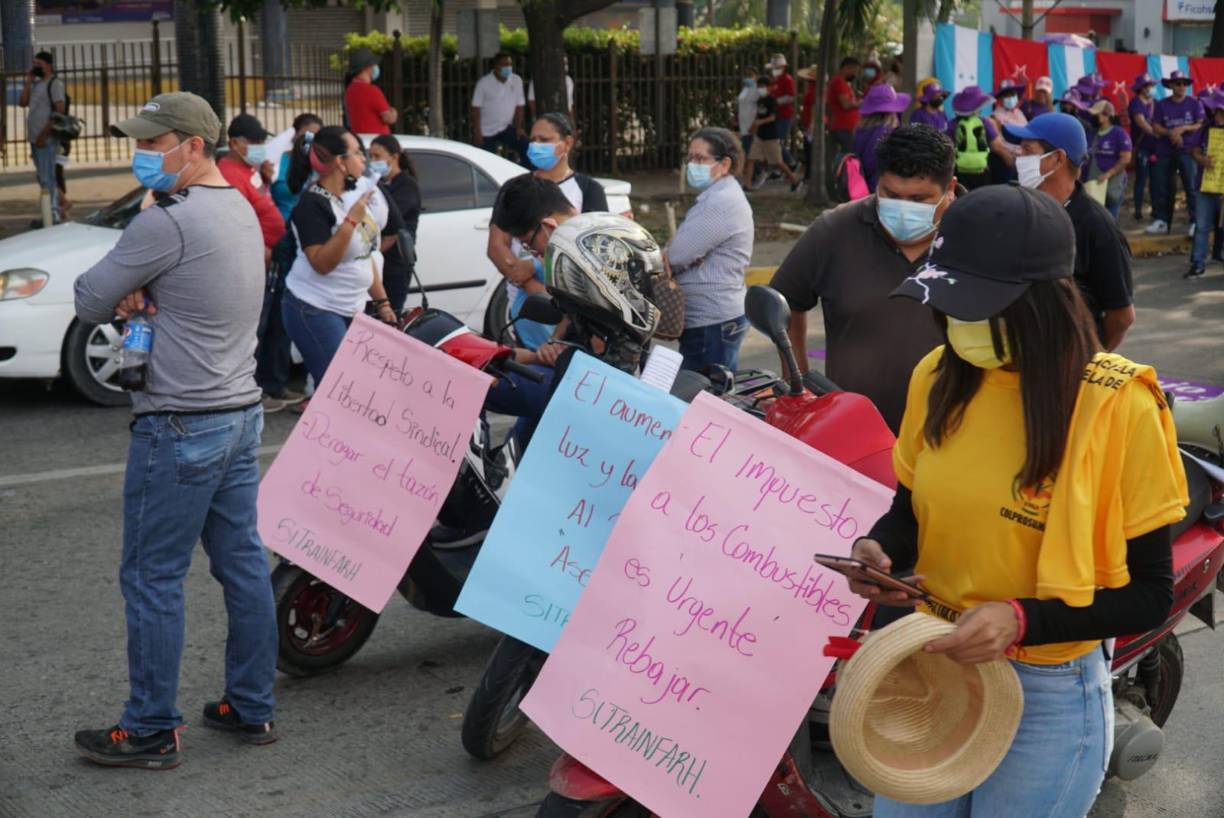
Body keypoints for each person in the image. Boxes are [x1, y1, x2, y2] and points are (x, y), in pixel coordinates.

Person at [852, 183, 1186, 818]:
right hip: (931, 665)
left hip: (1047, 694)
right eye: (951, 306)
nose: (961, 326)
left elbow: (1150, 594)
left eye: (979, 309)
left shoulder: (1117, 407)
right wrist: (879, 551)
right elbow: (908, 513)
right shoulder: (937, 376)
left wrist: (1023, 620)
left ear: (1044, 305)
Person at [71, 91, 278, 769]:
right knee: (242, 564)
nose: (143, 155)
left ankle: (152, 727)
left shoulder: (169, 221)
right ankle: (251, 705)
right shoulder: (239, 207)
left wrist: (137, 287)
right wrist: (152, 291)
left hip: (182, 422)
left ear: (194, 147)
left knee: (151, 577)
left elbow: (89, 297)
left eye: (154, 144)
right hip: (239, 414)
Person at [770, 124, 956, 433]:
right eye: (891, 195)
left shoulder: (979, 235)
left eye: (919, 199)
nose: (904, 209)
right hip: (853, 435)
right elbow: (785, 302)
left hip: (949, 434)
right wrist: (797, 382)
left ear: (950, 188)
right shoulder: (835, 230)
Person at [281, 126, 402, 387]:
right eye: (358, 153)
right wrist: (350, 222)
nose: (364, 160)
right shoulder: (312, 204)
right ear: (340, 162)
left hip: (350, 306)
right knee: (341, 389)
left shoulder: (346, 197)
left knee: (355, 389)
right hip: (315, 306)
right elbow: (322, 263)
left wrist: (382, 303)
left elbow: (365, 256)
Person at [1004, 113, 1135, 351]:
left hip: (1068, 365)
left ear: (1057, 159)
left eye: (1027, 150)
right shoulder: (1018, 208)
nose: (1018, 156)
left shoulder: (1097, 227)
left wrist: (1088, 357)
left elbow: (1122, 315)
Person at [486, 113, 607, 352]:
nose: (536, 145)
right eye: (533, 139)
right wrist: (529, 285)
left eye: (545, 139)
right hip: (527, 305)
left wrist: (535, 266)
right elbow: (496, 245)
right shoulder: (515, 189)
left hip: (571, 307)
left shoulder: (588, 189)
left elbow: (590, 247)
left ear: (568, 143)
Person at [667, 127, 753, 371]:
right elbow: (686, 251)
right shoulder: (718, 195)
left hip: (712, 322)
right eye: (691, 158)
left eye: (701, 158)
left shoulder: (720, 202)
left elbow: (677, 255)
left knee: (704, 401)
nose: (693, 164)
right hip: (713, 319)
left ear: (724, 164)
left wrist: (678, 253)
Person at [219, 114, 285, 267]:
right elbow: (237, 227)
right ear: (234, 143)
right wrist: (261, 252)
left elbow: (258, 198)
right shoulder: (230, 175)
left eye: (261, 142)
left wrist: (266, 180)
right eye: (255, 142)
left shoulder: (248, 166)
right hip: (257, 257)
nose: (261, 147)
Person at [368, 133, 422, 311]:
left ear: (394, 157)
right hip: (377, 267)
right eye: (370, 156)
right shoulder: (380, 184)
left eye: (377, 156)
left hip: (394, 267)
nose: (372, 160)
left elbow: (391, 228)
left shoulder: (406, 185)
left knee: (389, 319)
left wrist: (365, 256)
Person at [1148, 70, 1204, 236]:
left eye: (1184, 84)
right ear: (1171, 85)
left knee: (1191, 187)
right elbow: (1155, 126)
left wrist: (1183, 128)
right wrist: (1170, 133)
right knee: (1162, 186)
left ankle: (1195, 221)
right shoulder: (1162, 104)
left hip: (1187, 150)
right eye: (1178, 83)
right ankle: (1162, 221)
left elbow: (1200, 124)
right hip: (1165, 150)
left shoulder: (1195, 103)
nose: (1182, 87)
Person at [19, 50, 66, 225]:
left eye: (39, 64)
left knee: (47, 177)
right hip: (35, 138)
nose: (36, 67)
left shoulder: (55, 84)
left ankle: (52, 215)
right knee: (43, 176)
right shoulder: (38, 84)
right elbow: (23, 103)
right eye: (34, 64)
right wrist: (28, 82)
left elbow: (59, 110)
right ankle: (51, 212)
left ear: (48, 65)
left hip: (45, 138)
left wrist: (44, 134)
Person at [1187, 89, 1224, 279]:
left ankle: (1218, 255)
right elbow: (1193, 150)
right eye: (1217, 111)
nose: (1219, 115)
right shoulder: (1205, 129)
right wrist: (1202, 160)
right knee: (1202, 226)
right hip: (1205, 186)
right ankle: (1198, 263)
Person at [950, 85, 1011, 190]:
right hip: (981, 171)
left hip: (959, 171)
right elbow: (997, 147)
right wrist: (1010, 161)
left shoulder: (952, 124)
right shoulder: (984, 122)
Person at [852, 85, 911, 193]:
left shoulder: (862, 128)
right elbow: (872, 162)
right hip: (881, 186)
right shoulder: (885, 132)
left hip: (865, 184)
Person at [472, 52, 528, 163]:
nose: (507, 68)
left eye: (509, 64)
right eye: (504, 64)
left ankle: (527, 174)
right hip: (486, 130)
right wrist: (477, 131)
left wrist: (518, 128)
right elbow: (476, 108)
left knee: (526, 146)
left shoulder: (516, 81)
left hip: (505, 127)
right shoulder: (484, 83)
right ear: (496, 67)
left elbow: (520, 105)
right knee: (487, 160)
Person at [742, 88, 801, 192]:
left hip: (771, 137)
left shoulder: (772, 100)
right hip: (759, 136)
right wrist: (753, 127)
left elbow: (772, 117)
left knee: (778, 162)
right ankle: (748, 185)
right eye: (759, 85)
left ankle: (794, 179)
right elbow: (758, 116)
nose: (761, 88)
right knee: (751, 159)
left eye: (763, 85)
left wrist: (759, 123)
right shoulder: (759, 100)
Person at [1085, 100, 1133, 221]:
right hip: (1094, 184)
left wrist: (1108, 174)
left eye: (1098, 114)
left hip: (1113, 183)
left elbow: (1126, 158)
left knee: (1110, 219)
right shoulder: (1092, 134)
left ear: (1107, 115)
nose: (1095, 117)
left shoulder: (1119, 133)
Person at [271, 113, 323, 221]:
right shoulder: (277, 161)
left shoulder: (321, 164)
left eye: (315, 136)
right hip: (282, 227)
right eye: (307, 135)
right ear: (294, 134)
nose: (310, 140)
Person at [344, 48, 396, 135]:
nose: (376, 67)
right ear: (367, 68)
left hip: (360, 138)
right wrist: (394, 112)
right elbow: (389, 118)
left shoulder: (350, 90)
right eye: (374, 65)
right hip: (377, 140)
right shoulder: (371, 90)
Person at [1129, 73, 1158, 221]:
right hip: (1142, 147)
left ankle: (1155, 210)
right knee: (1141, 179)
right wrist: (1156, 134)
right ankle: (1138, 209)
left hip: (1156, 148)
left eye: (1151, 86)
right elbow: (1140, 122)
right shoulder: (1135, 103)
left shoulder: (1156, 103)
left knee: (1155, 180)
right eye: (1148, 86)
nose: (1151, 88)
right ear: (1141, 88)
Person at [989, 77, 1027, 184]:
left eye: (1012, 94)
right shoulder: (996, 116)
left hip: (1021, 160)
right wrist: (1007, 157)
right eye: (1006, 95)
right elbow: (996, 143)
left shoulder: (1019, 113)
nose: (1010, 98)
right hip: (1005, 161)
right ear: (1000, 99)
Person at [826, 57, 862, 164]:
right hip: (843, 126)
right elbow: (846, 104)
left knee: (849, 154)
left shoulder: (842, 82)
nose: (854, 74)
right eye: (854, 70)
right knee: (850, 155)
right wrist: (861, 103)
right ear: (847, 68)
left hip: (846, 126)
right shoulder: (839, 82)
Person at [766, 53, 798, 169]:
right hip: (775, 115)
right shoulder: (774, 80)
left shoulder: (788, 80)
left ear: (783, 68)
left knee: (777, 143)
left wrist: (776, 101)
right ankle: (778, 169)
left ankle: (791, 163)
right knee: (773, 143)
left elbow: (791, 96)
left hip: (785, 115)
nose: (774, 70)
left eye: (777, 68)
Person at [737, 66, 765, 156]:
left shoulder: (758, 89)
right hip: (743, 123)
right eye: (746, 75)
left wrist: (756, 123)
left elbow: (761, 106)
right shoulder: (745, 88)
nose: (748, 77)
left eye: (750, 75)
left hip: (751, 124)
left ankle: (758, 169)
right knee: (748, 150)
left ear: (756, 76)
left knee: (750, 150)